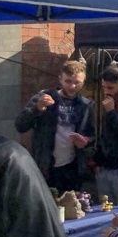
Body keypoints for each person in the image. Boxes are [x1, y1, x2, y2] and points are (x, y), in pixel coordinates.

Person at [15, 60, 96, 193]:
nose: (72, 86)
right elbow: (20, 125)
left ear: (84, 81)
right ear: (60, 79)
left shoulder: (85, 105)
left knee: (69, 208)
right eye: (68, 81)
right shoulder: (44, 97)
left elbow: (91, 136)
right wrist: (38, 108)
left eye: (77, 83)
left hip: (72, 167)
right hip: (45, 165)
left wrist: (84, 142)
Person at [96, 65, 118, 205]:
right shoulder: (109, 107)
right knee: (106, 210)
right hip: (105, 166)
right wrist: (97, 162)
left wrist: (111, 113)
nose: (106, 92)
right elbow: (105, 136)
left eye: (110, 88)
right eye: (104, 87)